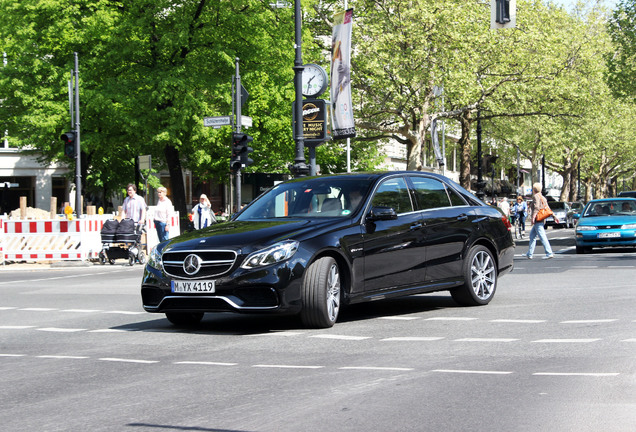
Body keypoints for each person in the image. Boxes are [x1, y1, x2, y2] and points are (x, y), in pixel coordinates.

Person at [525, 183, 557, 260]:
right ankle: (529, 253)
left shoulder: (536, 196)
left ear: (534, 189)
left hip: (538, 219)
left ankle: (549, 252)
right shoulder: (543, 197)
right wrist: (554, 216)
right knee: (532, 236)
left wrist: (533, 217)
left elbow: (536, 208)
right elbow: (547, 208)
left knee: (542, 236)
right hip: (542, 219)